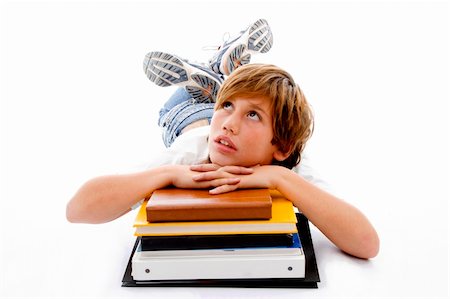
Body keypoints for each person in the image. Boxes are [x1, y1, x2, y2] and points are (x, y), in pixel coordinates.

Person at [66, 19, 379, 259]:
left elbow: (366, 243)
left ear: (281, 148)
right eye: (227, 107)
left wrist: (280, 178)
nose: (229, 125)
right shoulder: (194, 151)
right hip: (186, 113)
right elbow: (78, 209)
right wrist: (168, 174)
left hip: (206, 113)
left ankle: (223, 75)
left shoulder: (293, 165)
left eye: (253, 115)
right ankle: (224, 74)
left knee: (214, 109)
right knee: (193, 121)